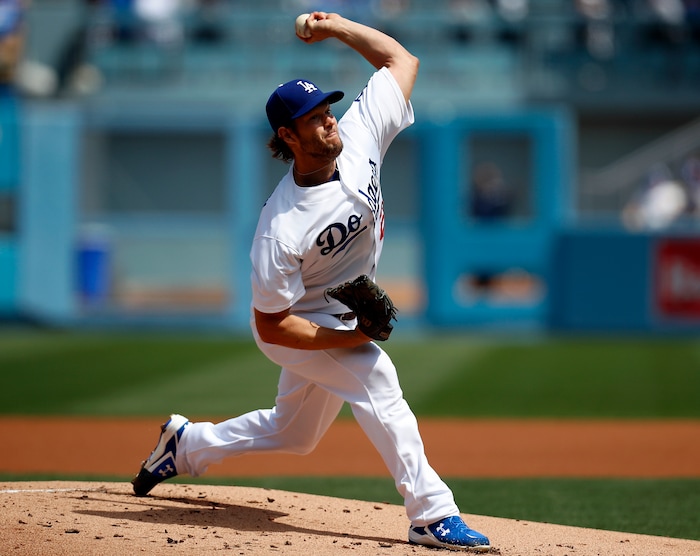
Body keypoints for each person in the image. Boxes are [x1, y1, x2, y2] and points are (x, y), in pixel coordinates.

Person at [131, 12, 491, 552]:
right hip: (301, 322)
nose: (328, 120)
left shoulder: (361, 132)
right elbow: (272, 326)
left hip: (341, 310)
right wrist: (351, 339)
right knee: (378, 381)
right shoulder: (281, 229)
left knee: (293, 434)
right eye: (313, 117)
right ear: (287, 135)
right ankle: (431, 514)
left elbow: (402, 61)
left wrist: (339, 26)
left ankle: (185, 445)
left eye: (327, 109)